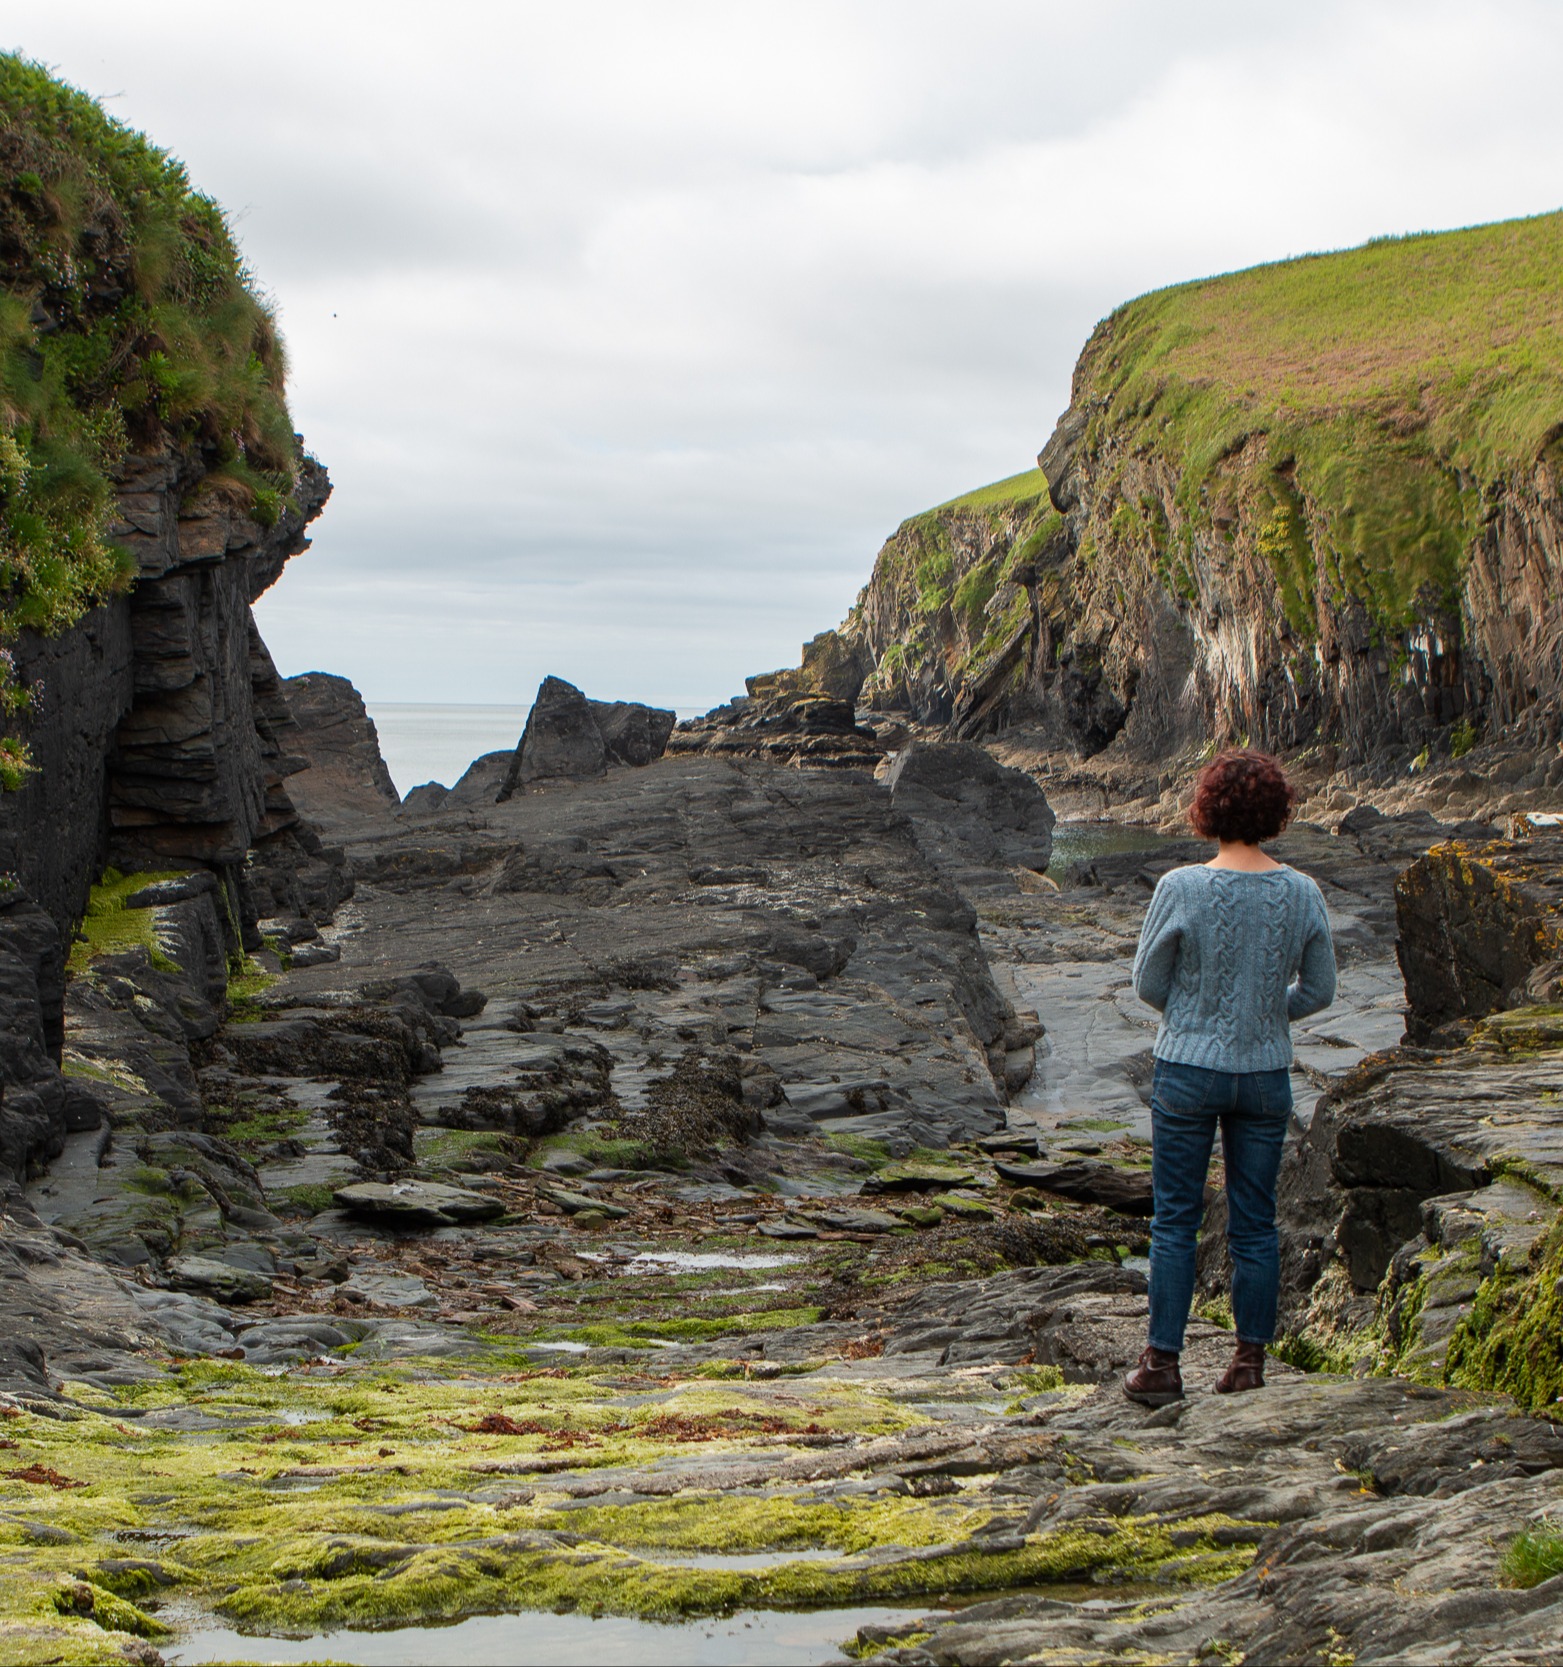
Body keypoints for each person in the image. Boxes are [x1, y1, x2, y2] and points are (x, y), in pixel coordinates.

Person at [1123, 749, 1336, 1405]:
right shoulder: (1302, 891)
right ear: (1274, 813)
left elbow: (1146, 983)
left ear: (1208, 808)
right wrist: (1266, 1013)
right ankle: (1247, 1362)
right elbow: (1320, 989)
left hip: (1187, 1069)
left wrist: (1196, 1015)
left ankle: (1161, 1365)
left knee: (1173, 1221)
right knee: (1252, 1224)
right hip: (1264, 1073)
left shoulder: (1180, 887)